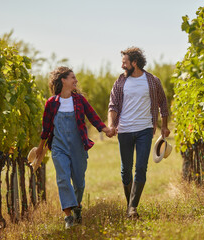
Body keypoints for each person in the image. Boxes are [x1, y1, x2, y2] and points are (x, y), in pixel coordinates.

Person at [35, 66, 113, 229]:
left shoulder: (79, 100)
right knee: (63, 179)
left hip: (78, 145)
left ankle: (77, 207)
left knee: (79, 183)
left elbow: (92, 116)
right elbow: (46, 127)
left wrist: (106, 130)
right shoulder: (51, 103)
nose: (76, 80)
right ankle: (68, 217)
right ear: (63, 80)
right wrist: (40, 148)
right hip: (59, 146)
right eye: (73, 77)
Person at [107, 47, 170, 218]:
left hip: (145, 129)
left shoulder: (152, 81)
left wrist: (164, 125)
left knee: (141, 168)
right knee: (125, 170)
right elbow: (112, 105)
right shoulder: (120, 82)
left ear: (134, 63)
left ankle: (132, 208)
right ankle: (130, 206)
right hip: (125, 130)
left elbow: (163, 103)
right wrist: (112, 125)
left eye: (125, 63)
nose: (122, 66)